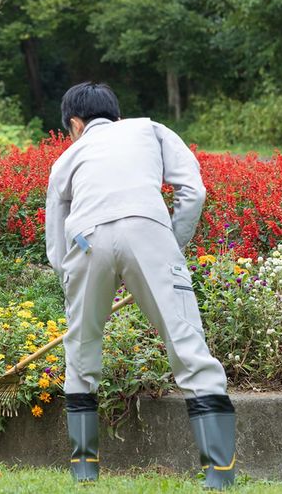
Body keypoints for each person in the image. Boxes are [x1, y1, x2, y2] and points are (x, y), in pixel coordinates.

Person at [45, 82, 236, 490]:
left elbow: (56, 242)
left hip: (84, 240)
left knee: (81, 352)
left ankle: (84, 473)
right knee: (188, 348)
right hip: (148, 230)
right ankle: (219, 474)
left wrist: (75, 277)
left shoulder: (66, 158)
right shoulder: (151, 129)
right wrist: (169, 248)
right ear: (116, 114)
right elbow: (193, 190)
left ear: (75, 124)